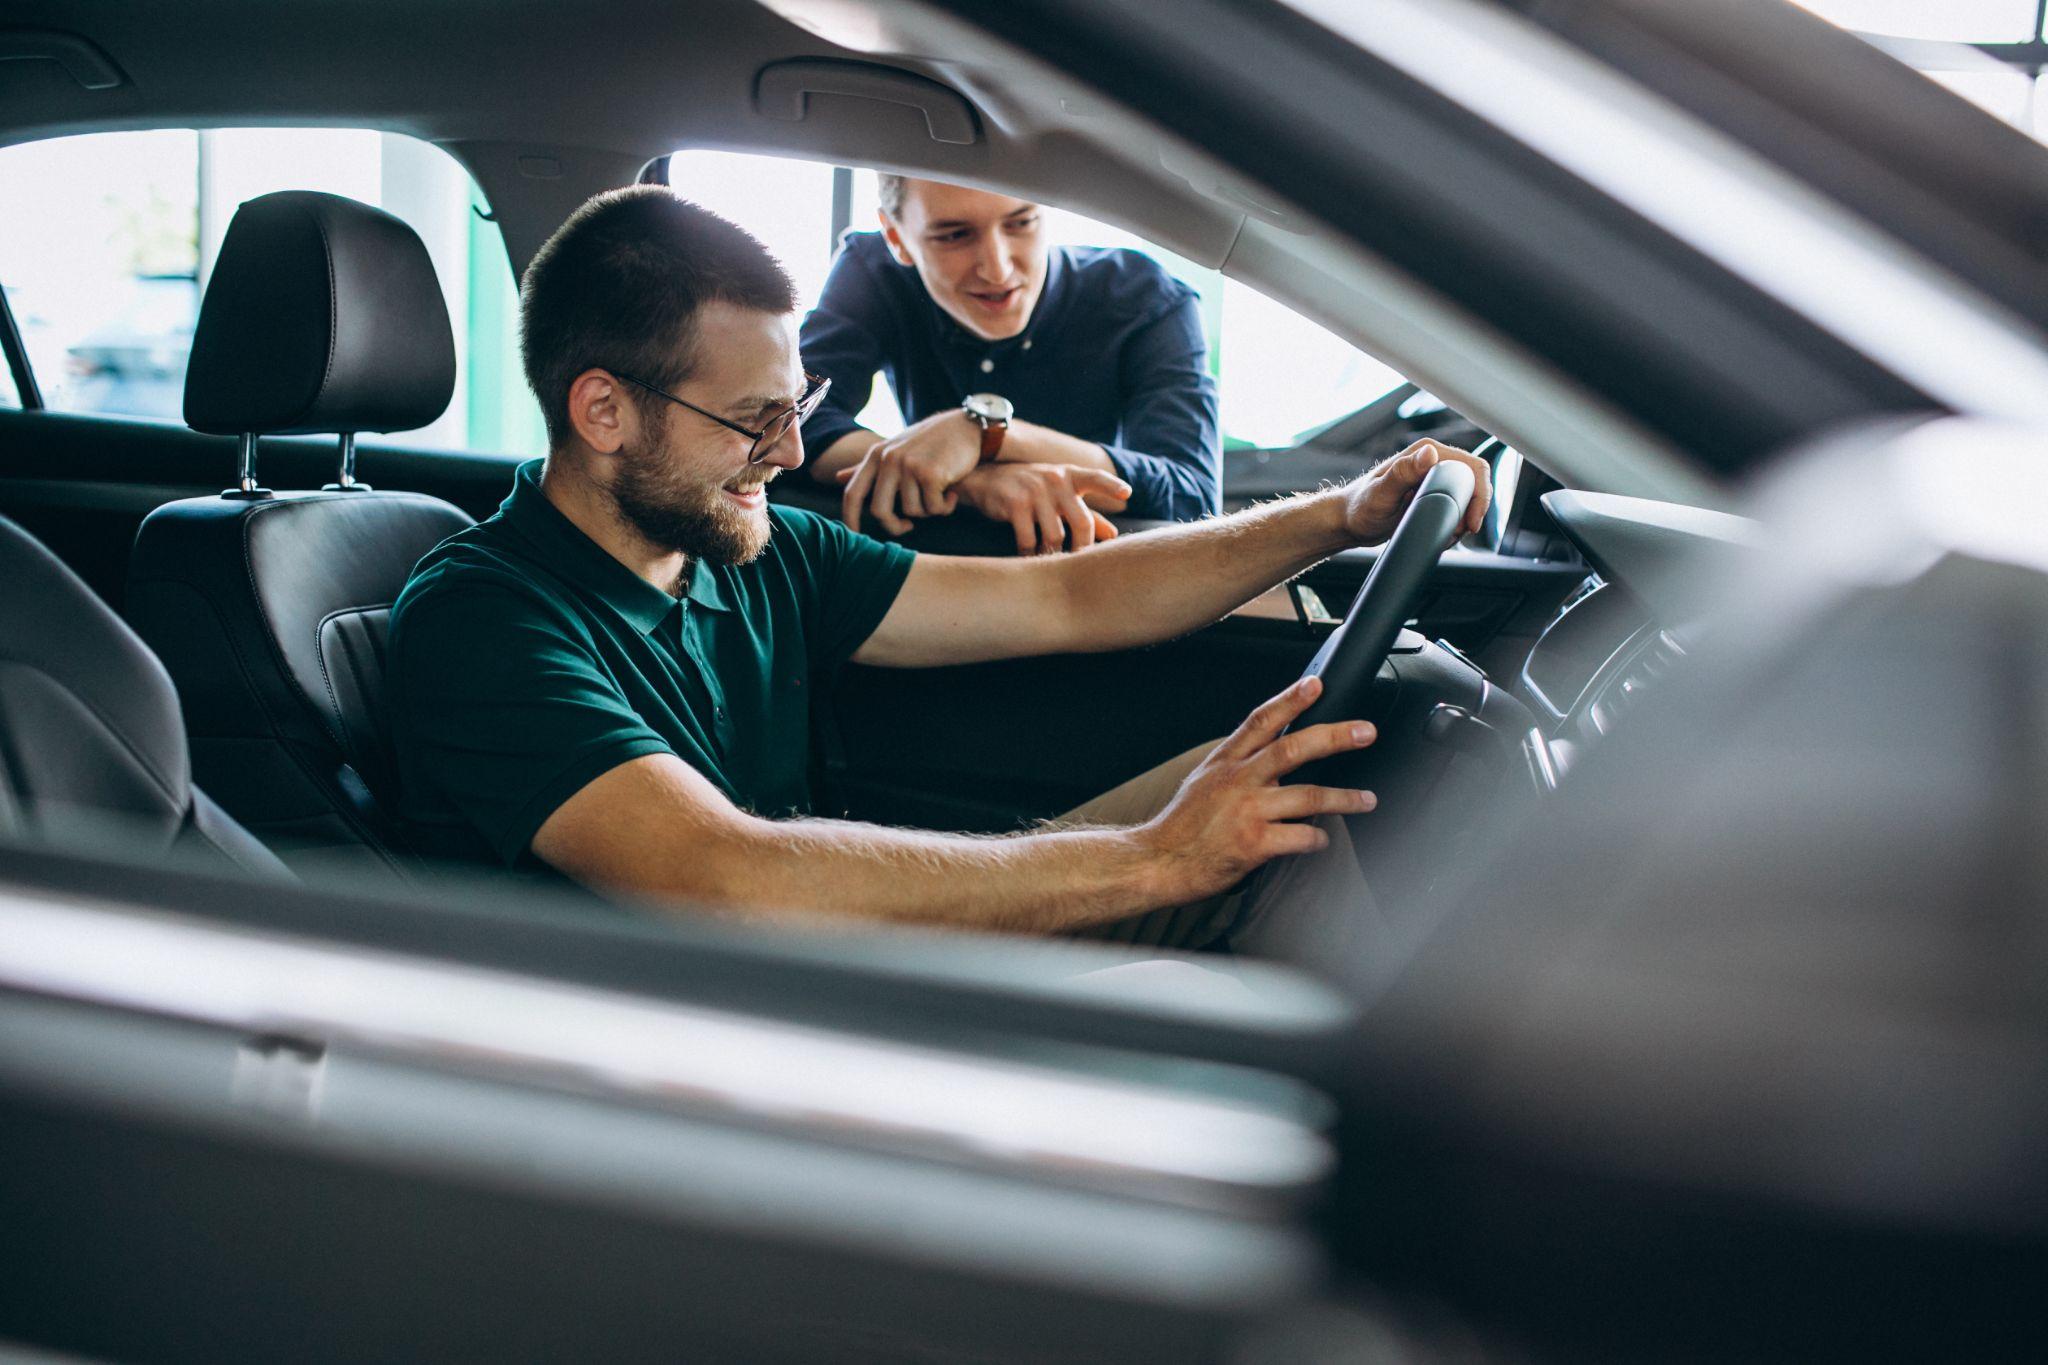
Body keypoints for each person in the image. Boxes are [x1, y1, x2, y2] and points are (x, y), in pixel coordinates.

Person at [389, 187, 1488, 956]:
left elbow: (1073, 593)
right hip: (717, 1031)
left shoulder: (755, 553)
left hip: (840, 956)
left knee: (1274, 791)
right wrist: (1153, 859)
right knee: (1223, 854)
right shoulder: (484, 618)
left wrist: (1341, 515)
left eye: (798, 411)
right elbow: (721, 879)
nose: (786, 454)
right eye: (750, 421)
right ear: (602, 410)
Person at [798, 175, 1221, 555]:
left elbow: (1193, 499)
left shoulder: (1147, 297)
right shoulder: (872, 270)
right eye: (954, 235)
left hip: (1095, 574)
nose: (997, 269)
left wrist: (986, 435)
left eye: (1021, 223)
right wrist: (970, 483)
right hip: (933, 568)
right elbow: (788, 425)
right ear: (896, 237)